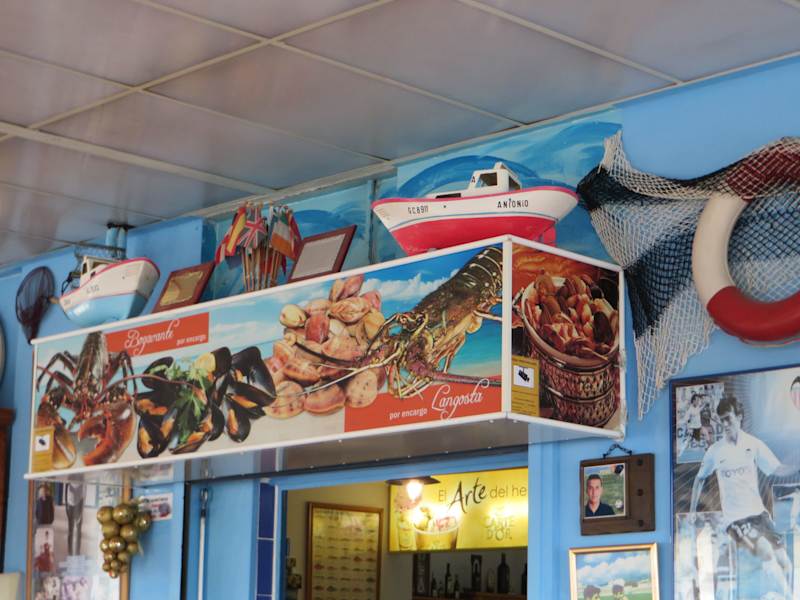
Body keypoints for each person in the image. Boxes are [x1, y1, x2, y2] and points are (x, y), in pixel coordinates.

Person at [690, 395, 798, 597]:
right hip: (736, 520)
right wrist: (692, 511)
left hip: (760, 515)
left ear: (739, 417)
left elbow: (778, 469)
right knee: (766, 551)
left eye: (728, 419)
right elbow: (699, 479)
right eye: (721, 420)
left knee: (785, 563)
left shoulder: (753, 444)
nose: (725, 424)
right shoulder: (715, 451)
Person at [65, 482, 85, 555]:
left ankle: (77, 551)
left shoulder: (82, 484)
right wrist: (67, 510)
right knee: (70, 530)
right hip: (70, 506)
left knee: (78, 531)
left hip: (79, 505)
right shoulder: (68, 484)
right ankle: (70, 551)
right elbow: (66, 498)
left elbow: (83, 498)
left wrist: (81, 513)